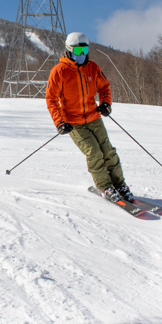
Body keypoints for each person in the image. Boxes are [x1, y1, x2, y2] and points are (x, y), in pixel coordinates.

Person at [46, 32, 135, 203]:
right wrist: (60, 122)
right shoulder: (59, 71)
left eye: (85, 50)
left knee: (108, 151)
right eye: (78, 50)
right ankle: (105, 186)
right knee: (94, 152)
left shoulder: (92, 67)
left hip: (94, 118)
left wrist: (106, 104)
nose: (82, 54)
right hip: (73, 123)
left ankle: (120, 185)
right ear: (69, 50)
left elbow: (104, 87)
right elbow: (51, 99)